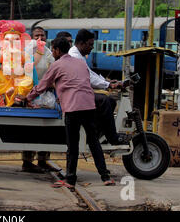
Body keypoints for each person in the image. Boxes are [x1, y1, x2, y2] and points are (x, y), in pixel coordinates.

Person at [24, 37, 115, 189]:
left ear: (58, 51)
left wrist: (28, 98)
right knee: (93, 141)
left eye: (53, 50)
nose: (52, 52)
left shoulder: (57, 64)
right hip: (88, 105)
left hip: (73, 107)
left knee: (72, 145)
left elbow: (43, 85)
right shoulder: (80, 62)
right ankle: (105, 176)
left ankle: (70, 180)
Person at [68, 29, 128, 145]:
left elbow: (91, 73)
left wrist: (106, 81)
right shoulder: (74, 56)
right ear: (81, 43)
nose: (92, 48)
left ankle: (100, 133)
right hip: (76, 95)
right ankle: (112, 137)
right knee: (104, 101)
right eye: (90, 45)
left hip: (80, 93)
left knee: (111, 101)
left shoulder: (78, 55)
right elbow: (88, 77)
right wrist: (109, 85)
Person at [21, 26, 58, 173]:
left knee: (47, 128)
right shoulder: (27, 52)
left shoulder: (49, 53)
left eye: (42, 35)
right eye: (37, 35)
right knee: (31, 128)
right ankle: (27, 161)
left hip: (46, 95)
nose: (40, 38)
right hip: (29, 93)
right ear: (31, 37)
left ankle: (43, 160)